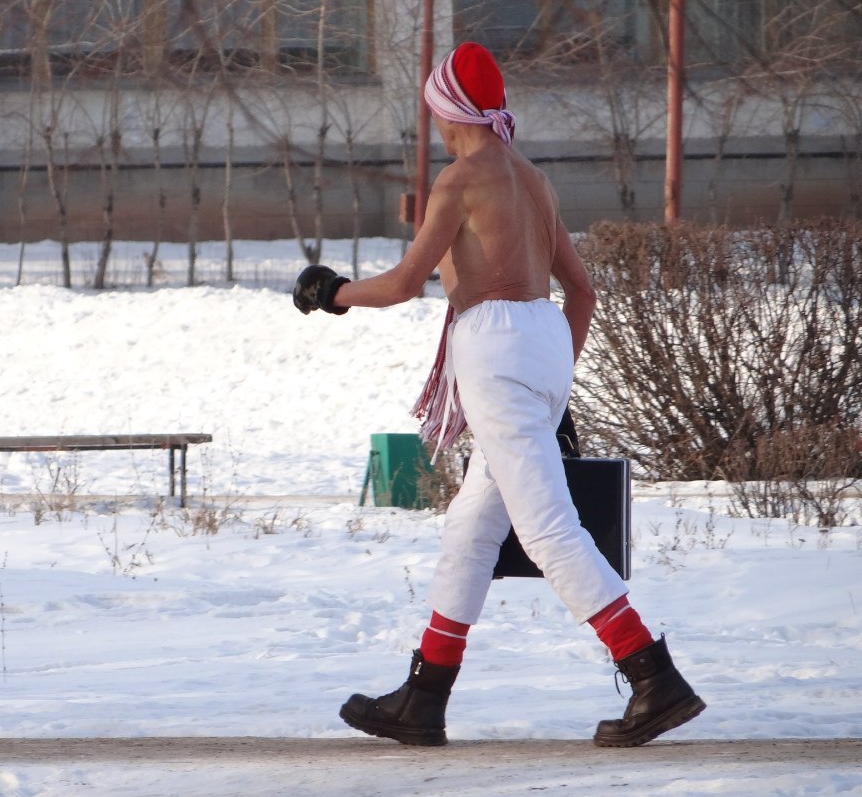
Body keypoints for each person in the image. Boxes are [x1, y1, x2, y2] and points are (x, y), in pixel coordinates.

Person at [292, 42, 705, 748]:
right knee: (472, 530)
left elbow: (399, 285)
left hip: (494, 348)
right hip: (543, 343)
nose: (435, 127)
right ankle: (424, 697)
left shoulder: (459, 181)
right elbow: (583, 290)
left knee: (548, 530)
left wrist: (331, 294)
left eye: (435, 112)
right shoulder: (532, 179)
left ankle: (652, 677)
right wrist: (553, 378)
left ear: (448, 110)